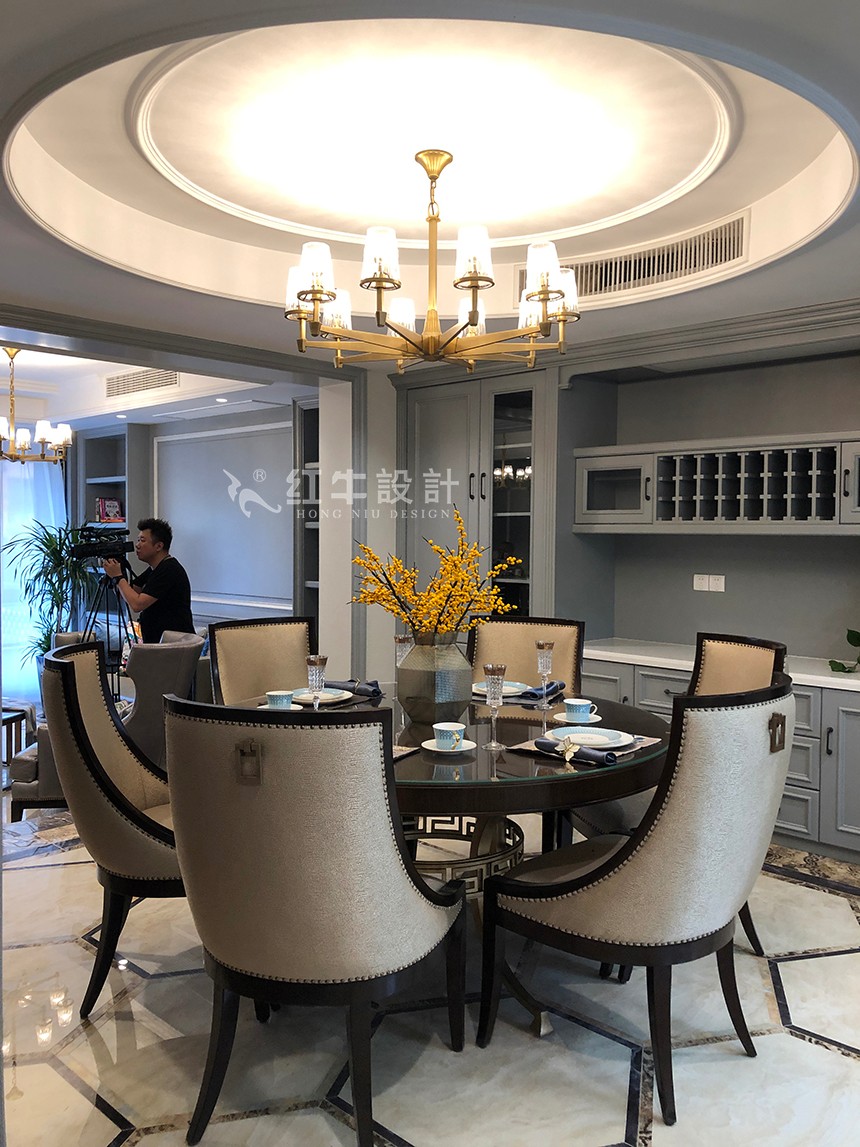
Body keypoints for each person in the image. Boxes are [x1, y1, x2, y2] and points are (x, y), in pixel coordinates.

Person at [102, 517, 194, 644]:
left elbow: (137, 604)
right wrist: (117, 574)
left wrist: (118, 577)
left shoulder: (169, 569)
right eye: (138, 540)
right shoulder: (154, 569)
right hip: (162, 645)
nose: (137, 545)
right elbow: (130, 594)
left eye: (142, 540)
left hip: (175, 647)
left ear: (159, 546)